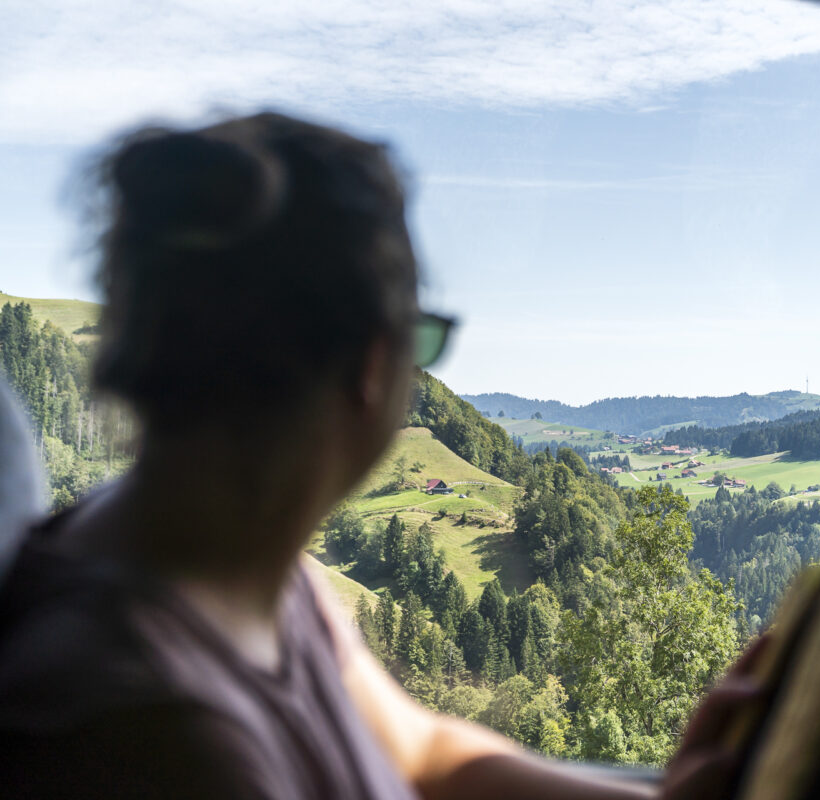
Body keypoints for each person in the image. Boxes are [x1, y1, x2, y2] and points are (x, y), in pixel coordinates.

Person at [0, 112, 760, 799]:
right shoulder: (152, 733)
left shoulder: (253, 574)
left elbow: (424, 751)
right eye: (422, 340)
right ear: (371, 363)